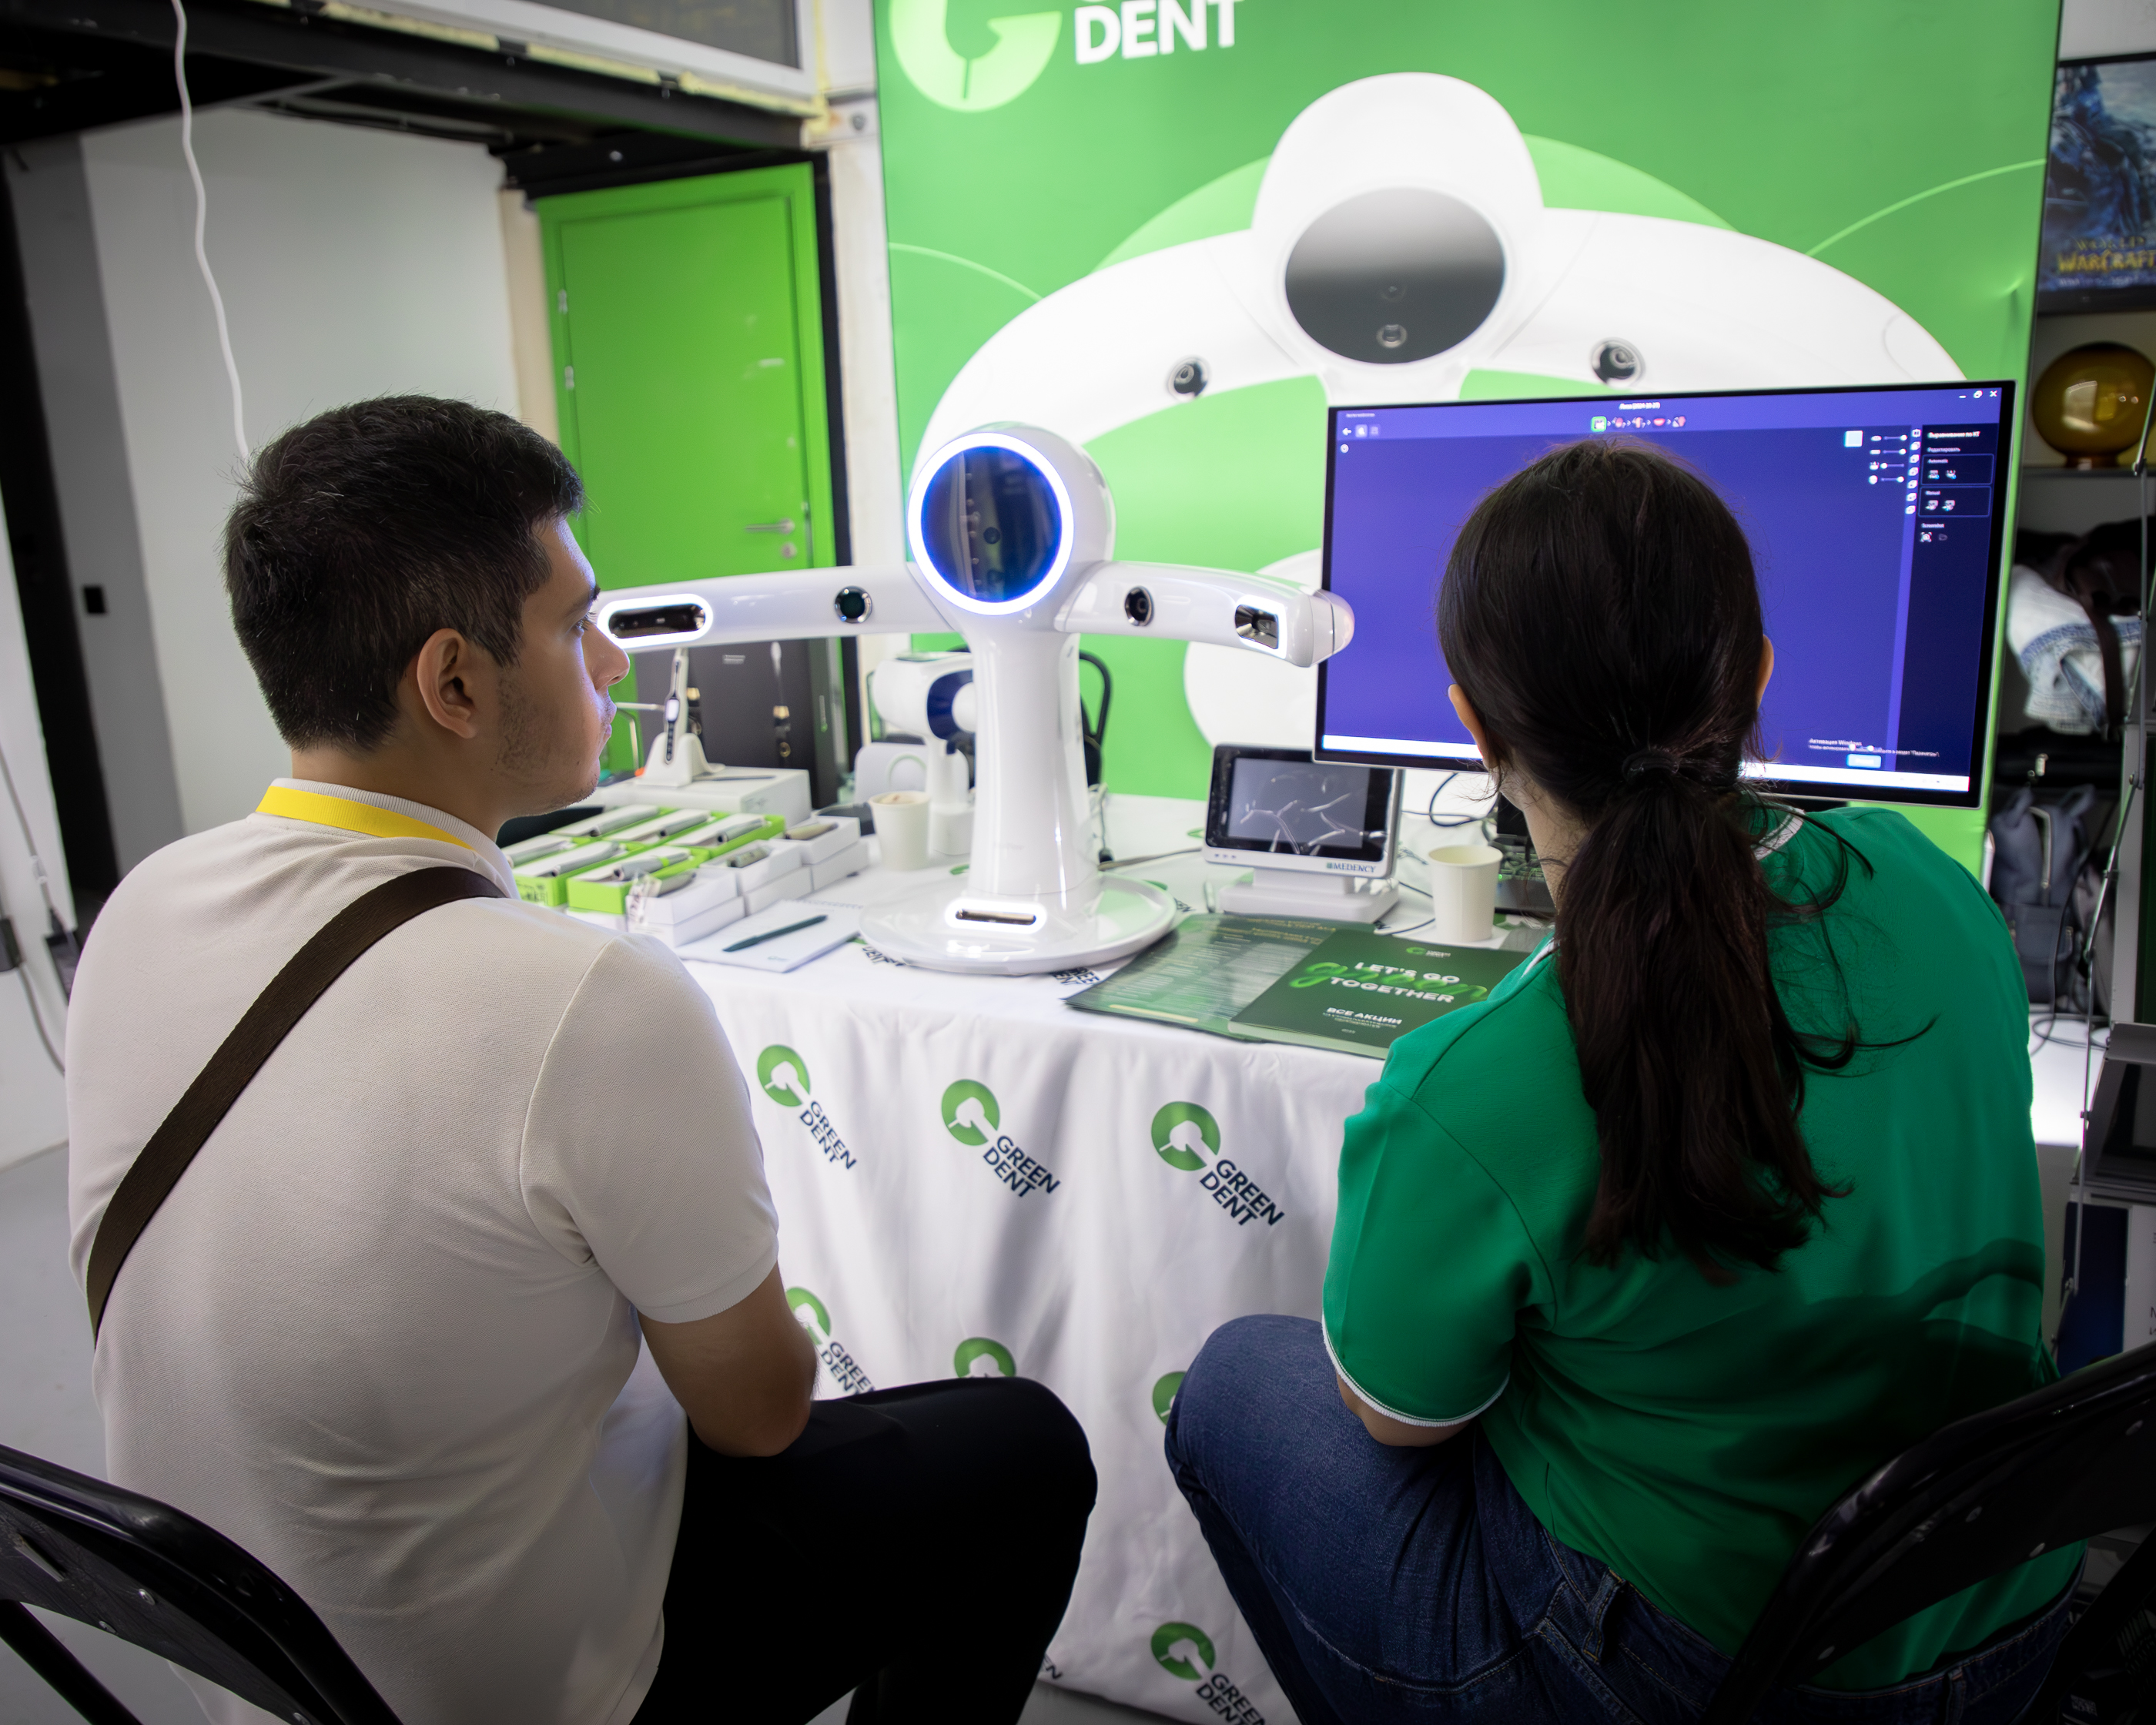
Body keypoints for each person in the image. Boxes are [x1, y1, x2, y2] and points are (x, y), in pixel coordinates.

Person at [66, 397, 1094, 1725]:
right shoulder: (585, 996)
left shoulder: (141, 907)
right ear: (452, 683)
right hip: (524, 1688)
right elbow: (759, 1416)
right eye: (575, 623)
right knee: (1019, 1450)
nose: (612, 658)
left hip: (245, 1663)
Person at [1164, 439, 2077, 1724]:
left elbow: (1401, 1422)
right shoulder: (1928, 882)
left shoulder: (1473, 1082)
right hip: (2007, 1616)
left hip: (1706, 1675)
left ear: (1475, 726)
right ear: (1758, 679)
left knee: (1234, 1384)